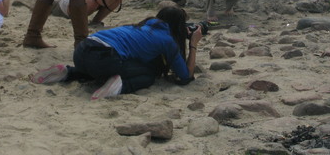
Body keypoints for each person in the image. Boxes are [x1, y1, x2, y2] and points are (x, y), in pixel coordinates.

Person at [30, 6, 202, 100]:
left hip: (82, 51)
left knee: (97, 68)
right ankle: (119, 87)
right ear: (177, 27)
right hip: (104, 58)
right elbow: (185, 76)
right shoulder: (167, 40)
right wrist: (193, 44)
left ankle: (68, 72)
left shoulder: (140, 26)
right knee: (148, 75)